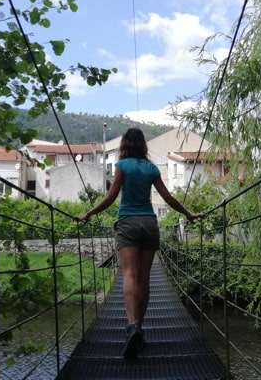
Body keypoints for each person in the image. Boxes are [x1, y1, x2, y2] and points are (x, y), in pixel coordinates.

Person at [77, 128, 201, 360]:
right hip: (149, 224)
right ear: (143, 145)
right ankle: (139, 329)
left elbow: (111, 197)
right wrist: (189, 214)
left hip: (128, 223)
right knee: (144, 278)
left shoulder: (122, 167)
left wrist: (88, 214)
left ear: (125, 145)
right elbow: (168, 198)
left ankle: (132, 327)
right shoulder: (151, 168)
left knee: (129, 275)